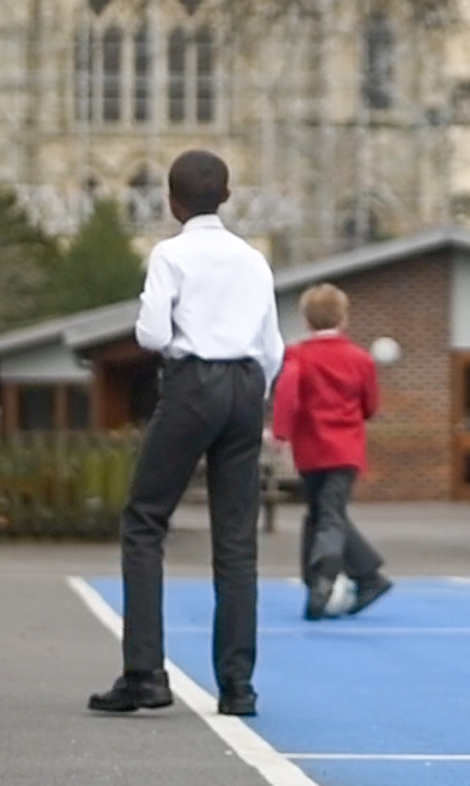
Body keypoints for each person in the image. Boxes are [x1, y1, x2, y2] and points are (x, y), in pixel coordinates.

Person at [92, 150, 285, 719]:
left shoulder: (170, 254)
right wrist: (250, 388)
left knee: (146, 520)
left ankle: (145, 674)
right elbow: (274, 345)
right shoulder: (254, 260)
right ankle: (238, 686)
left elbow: (152, 334)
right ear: (226, 197)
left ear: (171, 202)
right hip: (248, 386)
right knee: (236, 539)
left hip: (193, 383)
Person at [272, 284, 392, 621]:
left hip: (310, 449)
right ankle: (364, 577)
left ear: (306, 320)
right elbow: (370, 405)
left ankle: (323, 580)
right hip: (346, 449)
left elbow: (287, 395)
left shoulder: (297, 355)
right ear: (343, 318)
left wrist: (281, 432)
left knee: (323, 513)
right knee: (325, 514)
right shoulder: (360, 358)